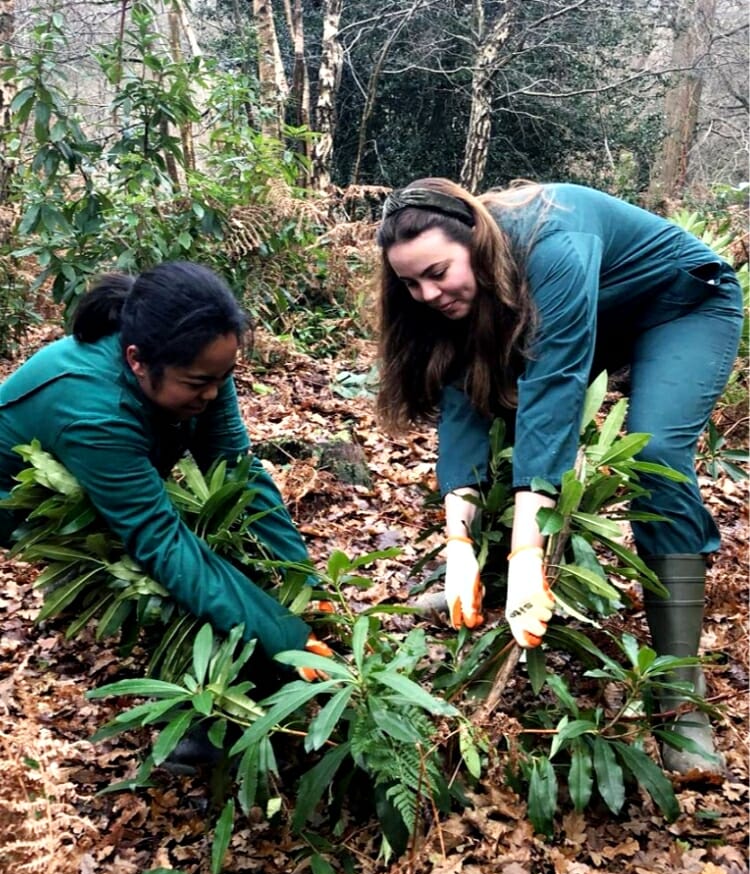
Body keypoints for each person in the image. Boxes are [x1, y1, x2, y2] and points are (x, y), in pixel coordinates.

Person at [375, 177, 743, 776]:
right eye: (412, 283)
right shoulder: (461, 290)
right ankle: (478, 585)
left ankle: (678, 696)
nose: (428, 293)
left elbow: (556, 386)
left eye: (438, 272)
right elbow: (466, 405)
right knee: (497, 401)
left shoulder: (553, 241)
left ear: (475, 238)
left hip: (681, 308)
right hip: (598, 309)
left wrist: (529, 547)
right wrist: (459, 543)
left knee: (658, 456)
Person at [0, 261, 333, 693]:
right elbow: (158, 539)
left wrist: (304, 582)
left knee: (211, 551)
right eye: (199, 383)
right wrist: (286, 638)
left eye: (222, 378)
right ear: (137, 360)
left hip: (98, 464)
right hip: (19, 500)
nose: (212, 395)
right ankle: (202, 707)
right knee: (146, 575)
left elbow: (233, 470)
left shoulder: (200, 361)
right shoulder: (93, 410)